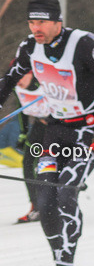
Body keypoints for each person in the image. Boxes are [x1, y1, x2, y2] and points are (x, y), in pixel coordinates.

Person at [0, 0, 94, 266]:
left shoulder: (82, 44)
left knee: (66, 193)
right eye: (31, 22)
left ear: (58, 22)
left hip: (87, 132)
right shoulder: (29, 47)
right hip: (54, 133)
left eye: (41, 21)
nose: (35, 28)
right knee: (44, 201)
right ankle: (58, 264)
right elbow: (8, 80)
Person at [13, 73, 49, 222]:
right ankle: (36, 207)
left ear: (30, 74)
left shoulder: (42, 83)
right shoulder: (19, 89)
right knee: (28, 164)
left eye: (22, 77)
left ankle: (58, 204)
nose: (19, 81)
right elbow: (21, 111)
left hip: (57, 128)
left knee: (51, 165)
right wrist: (23, 133)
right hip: (39, 128)